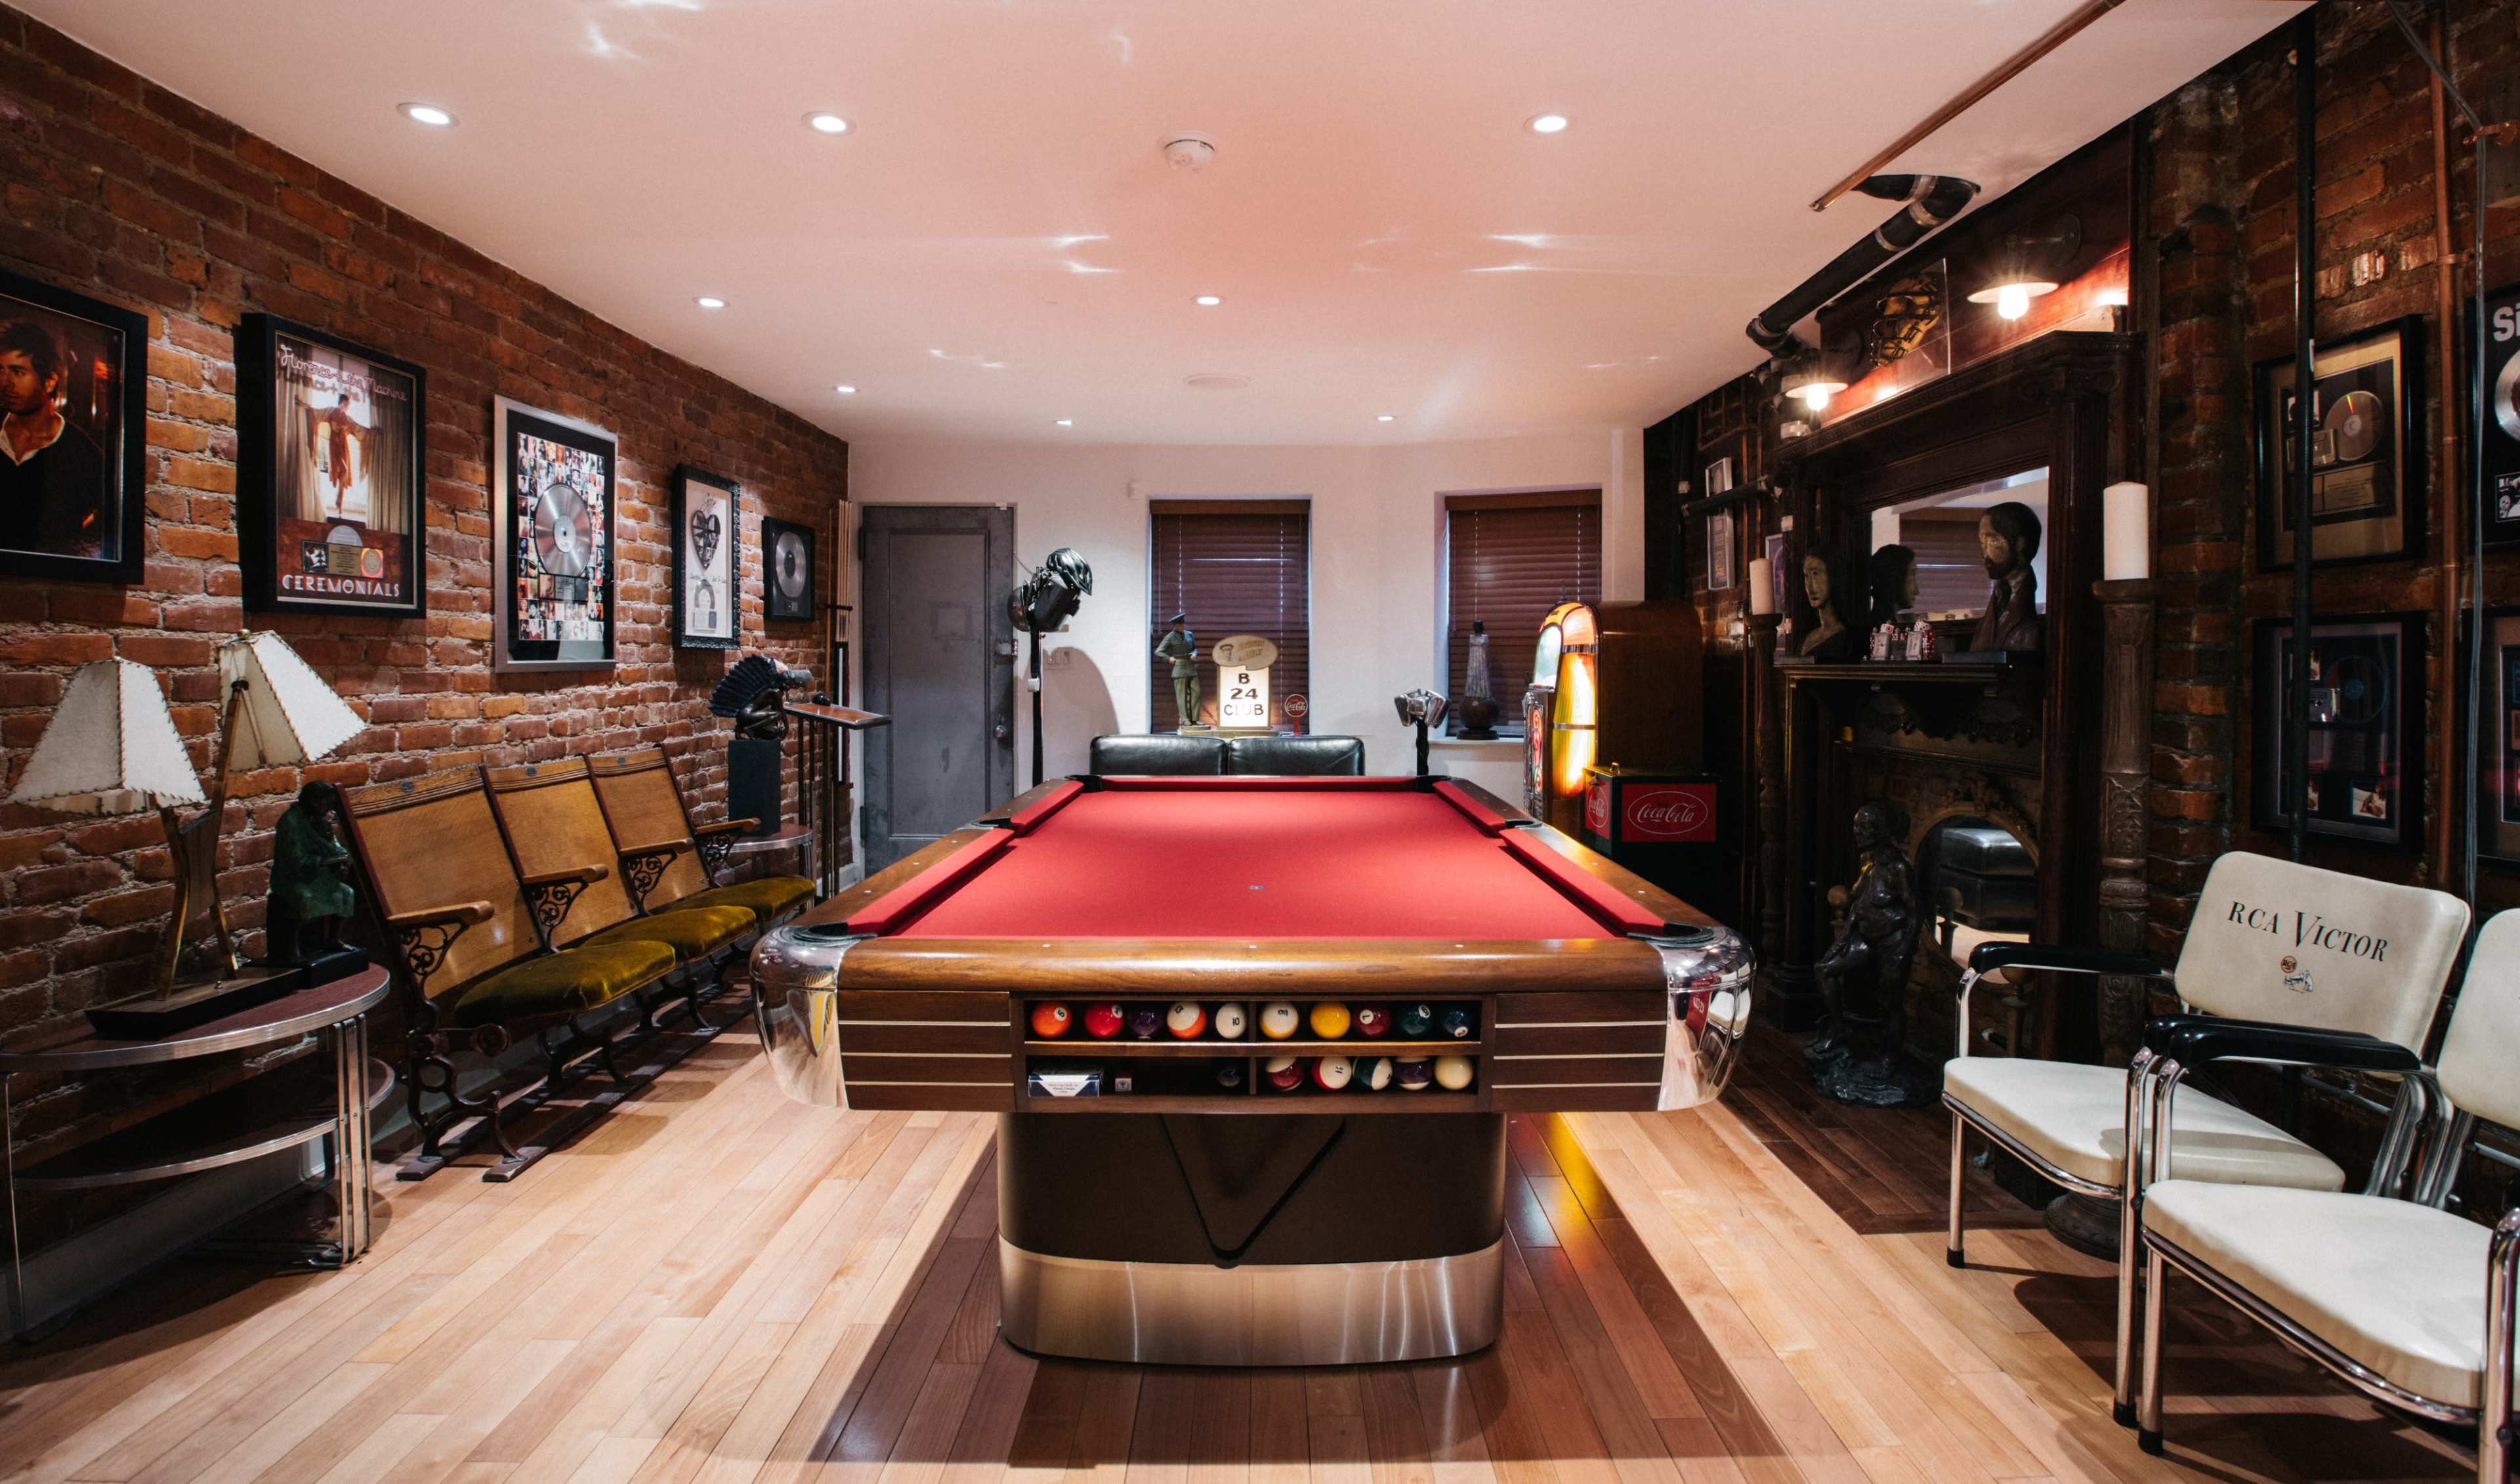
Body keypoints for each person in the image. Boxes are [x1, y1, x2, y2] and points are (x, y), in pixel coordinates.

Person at [0, 318, 108, 557]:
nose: (5, 383)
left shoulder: (85, 453)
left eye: (18, 372)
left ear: (49, 382)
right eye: (1, 371)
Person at [1968, 500, 2043, 652]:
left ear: (2020, 543)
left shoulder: (2033, 615)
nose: (1985, 554)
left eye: (1993, 542)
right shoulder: (1999, 597)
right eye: (1982, 543)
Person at [1154, 612, 1200, 728]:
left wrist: (1194, 654)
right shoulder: (1170, 637)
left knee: (1197, 693)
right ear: (1175, 625)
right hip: (1179, 668)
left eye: (1183, 624)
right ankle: (1185, 719)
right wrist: (1169, 659)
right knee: (1181, 696)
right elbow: (1158, 652)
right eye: (1180, 625)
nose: (1182, 626)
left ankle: (1195, 719)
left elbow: (1194, 648)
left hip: (1191, 667)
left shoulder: (1189, 634)